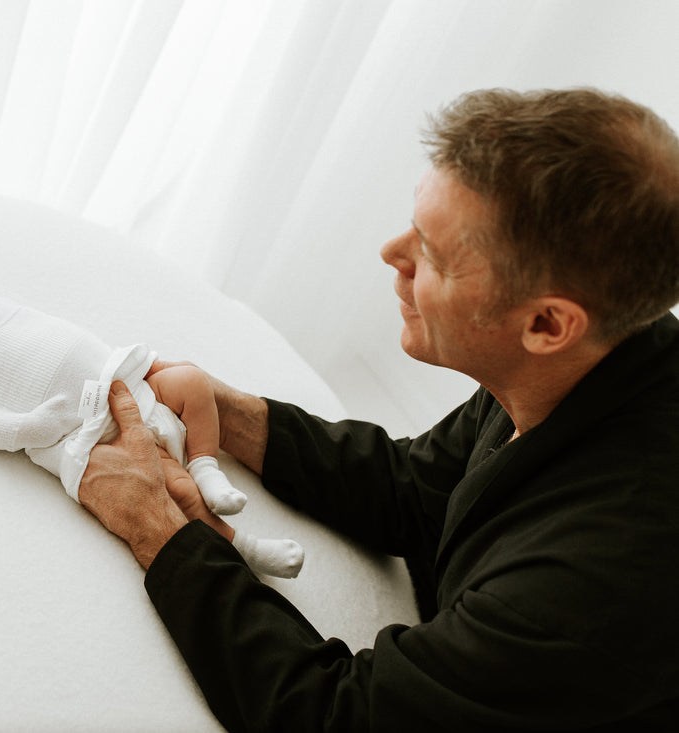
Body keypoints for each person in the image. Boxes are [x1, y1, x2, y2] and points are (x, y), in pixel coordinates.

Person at [77, 87, 679, 730]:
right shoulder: (598, 355)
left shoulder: (584, 588)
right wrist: (229, 410)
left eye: (433, 255)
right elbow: (420, 490)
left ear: (547, 324)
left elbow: (331, 716)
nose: (393, 253)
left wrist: (156, 526)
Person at [0, 249, 304, 578]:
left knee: (192, 381)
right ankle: (245, 548)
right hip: (99, 434)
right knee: (175, 489)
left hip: (124, 383)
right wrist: (28, 428)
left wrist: (128, 366)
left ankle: (207, 466)